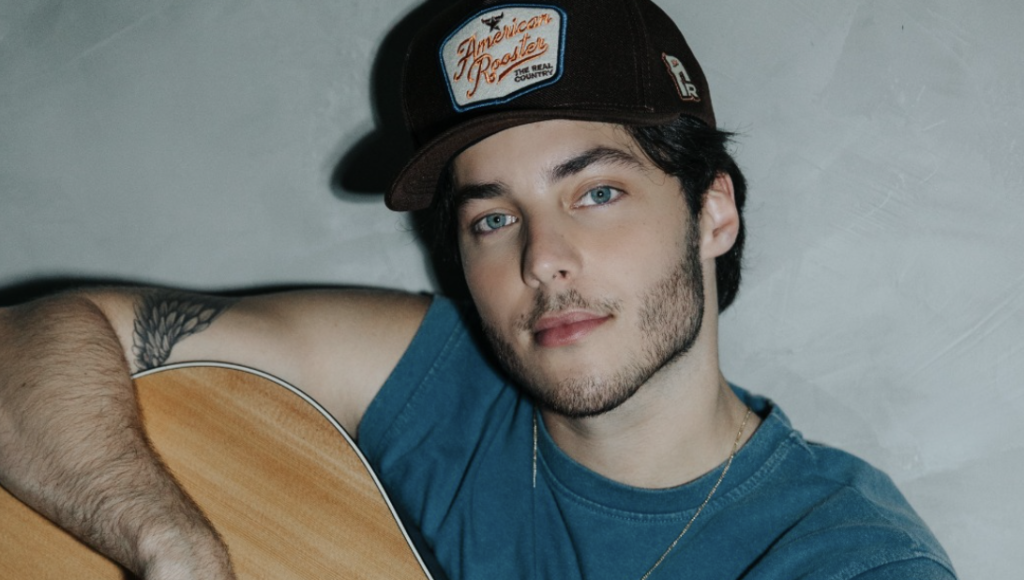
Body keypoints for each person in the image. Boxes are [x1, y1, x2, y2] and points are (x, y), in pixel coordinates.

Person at [0, 0, 956, 578]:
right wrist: (169, 545)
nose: (543, 258)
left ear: (712, 213)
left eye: (597, 192)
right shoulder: (439, 383)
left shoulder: (848, 558)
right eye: (492, 217)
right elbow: (33, 339)